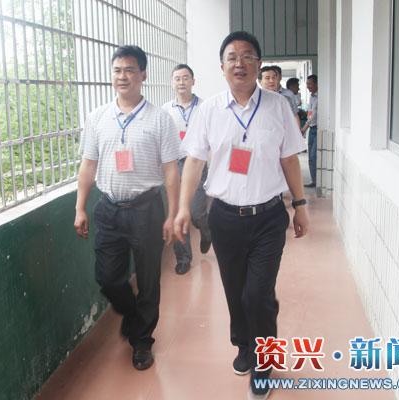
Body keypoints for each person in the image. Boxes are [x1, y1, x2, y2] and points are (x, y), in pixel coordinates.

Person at [174, 31, 309, 400]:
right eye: (232, 57)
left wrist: (300, 206)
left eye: (248, 56)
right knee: (235, 291)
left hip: (268, 217)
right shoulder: (209, 111)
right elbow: (194, 162)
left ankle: (265, 362)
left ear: (259, 65)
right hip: (225, 218)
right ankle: (245, 345)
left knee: (257, 294)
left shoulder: (278, 107)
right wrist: (183, 207)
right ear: (222, 67)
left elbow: (289, 159)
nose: (239, 63)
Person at [73, 45, 180, 371]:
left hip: (147, 209)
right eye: (117, 70)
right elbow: (88, 165)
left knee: (148, 279)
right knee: (107, 278)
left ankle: (142, 341)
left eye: (130, 70)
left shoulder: (160, 119)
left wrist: (173, 214)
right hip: (108, 209)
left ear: (142, 75)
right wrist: (80, 208)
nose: (123, 76)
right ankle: (132, 316)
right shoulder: (97, 118)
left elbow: (171, 170)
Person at [162, 64, 211, 275]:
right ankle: (183, 258)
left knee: (196, 212)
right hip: (174, 165)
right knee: (176, 212)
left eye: (185, 78)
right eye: (177, 78)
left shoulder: (205, 107)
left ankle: (206, 230)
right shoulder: (165, 110)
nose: (181, 82)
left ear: (193, 81)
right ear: (172, 83)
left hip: (197, 163)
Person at [301, 74, 318, 188]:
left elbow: (313, 115)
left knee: (314, 155)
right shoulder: (312, 97)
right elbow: (310, 113)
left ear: (317, 84)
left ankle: (317, 181)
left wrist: (304, 128)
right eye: (307, 84)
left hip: (317, 128)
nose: (308, 86)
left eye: (310, 84)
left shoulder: (320, 97)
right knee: (311, 157)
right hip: (311, 129)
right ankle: (314, 180)